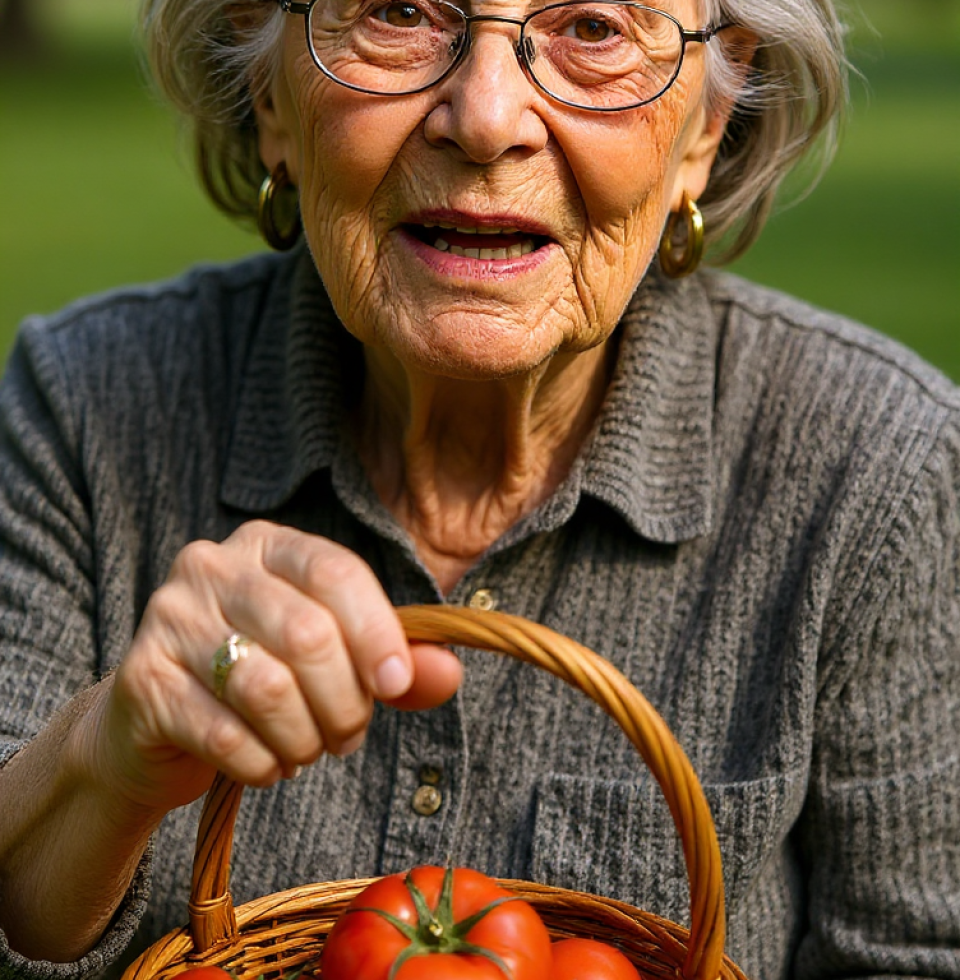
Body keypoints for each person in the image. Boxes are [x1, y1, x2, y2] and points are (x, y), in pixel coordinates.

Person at [0, 0, 958, 976]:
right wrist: (105, 753)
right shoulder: (85, 405)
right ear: (268, 91)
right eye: (398, 12)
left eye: (594, 28)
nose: (489, 116)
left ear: (705, 124)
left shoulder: (881, 466)